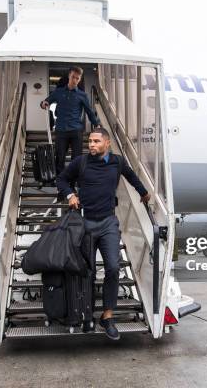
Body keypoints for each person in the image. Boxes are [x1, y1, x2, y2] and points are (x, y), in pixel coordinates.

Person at [57, 127, 151, 340]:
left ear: (107, 143)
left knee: (113, 267)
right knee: (86, 271)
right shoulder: (80, 163)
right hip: (86, 223)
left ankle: (107, 316)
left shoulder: (117, 162)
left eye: (96, 141)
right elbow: (61, 179)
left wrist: (144, 193)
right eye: (90, 141)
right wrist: (70, 194)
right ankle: (86, 313)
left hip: (108, 222)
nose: (91, 145)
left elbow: (132, 177)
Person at [40, 66, 101, 175]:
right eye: (73, 77)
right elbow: (45, 101)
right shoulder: (58, 92)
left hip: (76, 131)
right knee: (60, 158)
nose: (75, 80)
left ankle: (72, 184)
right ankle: (60, 184)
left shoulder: (82, 95)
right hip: (61, 130)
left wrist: (96, 125)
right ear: (69, 76)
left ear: (80, 79)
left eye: (77, 78)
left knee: (76, 159)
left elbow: (89, 112)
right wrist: (44, 104)